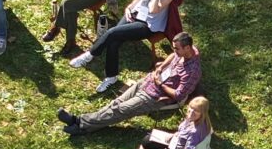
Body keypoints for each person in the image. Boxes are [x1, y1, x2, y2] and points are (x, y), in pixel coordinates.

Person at [56, 36, 200, 136]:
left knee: (119, 110)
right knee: (116, 103)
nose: (174, 51)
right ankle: (85, 126)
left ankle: (79, 122)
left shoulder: (193, 71)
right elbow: (172, 57)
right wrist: (162, 67)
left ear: (187, 48)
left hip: (154, 97)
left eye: (177, 49)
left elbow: (179, 95)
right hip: (147, 83)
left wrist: (160, 84)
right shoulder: (185, 52)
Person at [66, 0, 177, 91]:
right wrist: (129, 7)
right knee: (114, 41)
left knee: (112, 33)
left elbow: (153, 9)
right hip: (135, 15)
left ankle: (90, 55)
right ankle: (111, 77)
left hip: (148, 25)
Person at [118, 95, 216, 149]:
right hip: (175, 144)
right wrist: (174, 135)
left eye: (196, 110)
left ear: (202, 113)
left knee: (151, 148)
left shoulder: (195, 131)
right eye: (190, 108)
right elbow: (183, 133)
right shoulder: (196, 120)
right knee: (149, 139)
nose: (191, 112)